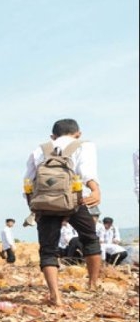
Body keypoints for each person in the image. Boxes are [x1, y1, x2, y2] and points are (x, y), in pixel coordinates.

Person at [24, 118, 102, 306]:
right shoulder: (85, 145)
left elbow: (28, 182)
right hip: (75, 201)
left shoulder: (39, 150)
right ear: (78, 133)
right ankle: (93, 284)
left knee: (48, 249)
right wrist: (95, 190)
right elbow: (87, 172)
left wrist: (34, 207)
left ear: (53, 136)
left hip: (45, 204)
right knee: (90, 239)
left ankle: (55, 296)